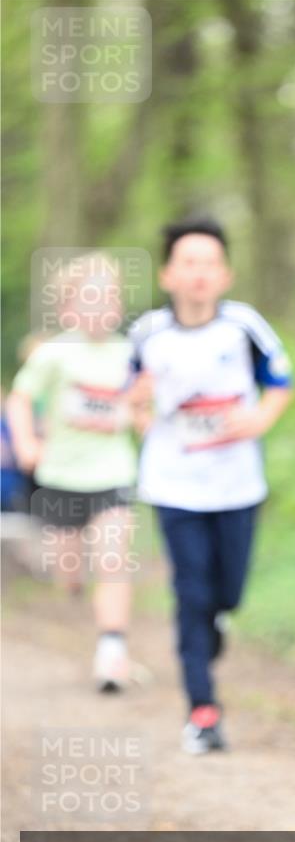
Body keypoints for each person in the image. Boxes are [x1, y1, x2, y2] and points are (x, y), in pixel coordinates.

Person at [129, 217, 294, 755]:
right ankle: (202, 710)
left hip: (236, 484)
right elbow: (131, 396)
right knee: (190, 593)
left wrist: (260, 420)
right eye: (188, 263)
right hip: (173, 484)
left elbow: (281, 381)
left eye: (209, 264)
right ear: (167, 274)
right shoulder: (147, 333)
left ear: (225, 275)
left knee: (228, 593)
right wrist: (140, 410)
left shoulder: (243, 325)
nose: (199, 274)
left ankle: (219, 617)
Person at [7, 252, 139, 692]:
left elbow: (142, 404)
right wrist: (26, 442)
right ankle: (74, 585)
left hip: (113, 473)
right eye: (91, 298)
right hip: (61, 478)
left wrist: (140, 417)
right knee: (69, 569)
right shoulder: (55, 354)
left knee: (113, 558)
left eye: (110, 298)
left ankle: (111, 650)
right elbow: (20, 399)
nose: (102, 306)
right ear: (68, 309)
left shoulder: (130, 352)